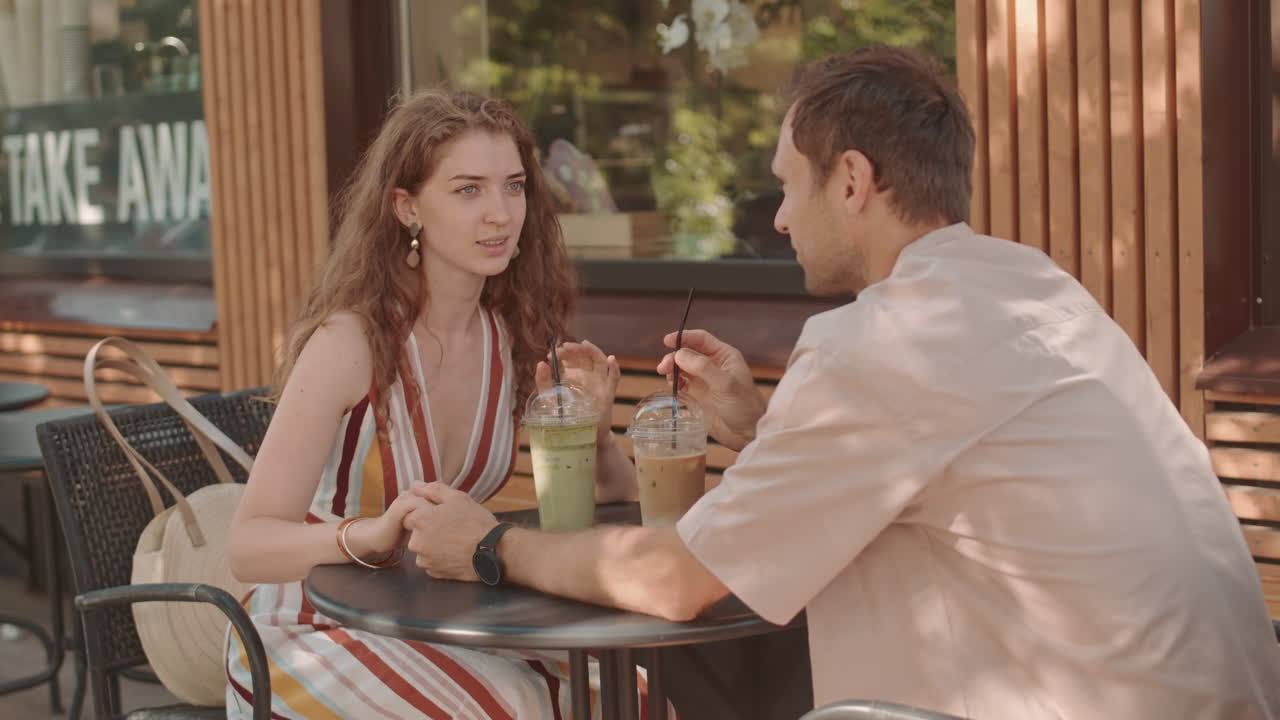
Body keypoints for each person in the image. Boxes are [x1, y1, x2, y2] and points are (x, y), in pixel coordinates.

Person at [402, 46, 1280, 719]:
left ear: (852, 181)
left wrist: (488, 545)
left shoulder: (882, 340)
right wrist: (759, 427)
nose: (778, 216)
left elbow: (678, 579)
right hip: (1210, 694)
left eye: (788, 187)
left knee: (700, 662)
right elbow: (947, 465)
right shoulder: (1031, 285)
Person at [223, 88, 646, 718]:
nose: (500, 214)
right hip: (312, 630)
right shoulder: (351, 341)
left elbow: (614, 503)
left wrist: (599, 431)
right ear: (406, 207)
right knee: (511, 706)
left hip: (434, 623)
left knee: (632, 698)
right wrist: (367, 535)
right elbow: (247, 546)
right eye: (468, 190)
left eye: (514, 186)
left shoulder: (511, 336)